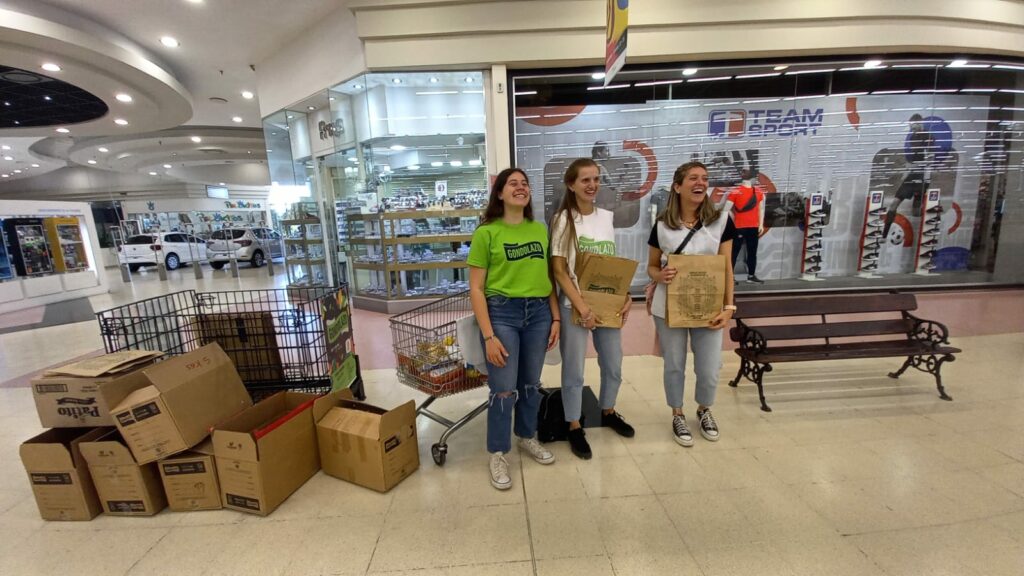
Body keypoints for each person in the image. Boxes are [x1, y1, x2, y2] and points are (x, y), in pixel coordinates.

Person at [468, 168, 561, 490]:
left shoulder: (539, 229)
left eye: (525, 184)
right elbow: (476, 289)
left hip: (539, 314)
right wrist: (488, 335)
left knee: (531, 384)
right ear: (500, 193)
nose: (521, 188)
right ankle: (497, 452)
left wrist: (556, 318)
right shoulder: (486, 233)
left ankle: (526, 435)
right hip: (502, 314)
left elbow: (547, 277)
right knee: (504, 388)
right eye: (513, 184)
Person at [549, 158, 634, 460]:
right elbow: (559, 270)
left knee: (613, 363)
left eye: (596, 179)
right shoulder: (563, 220)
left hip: (606, 304)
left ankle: (608, 410)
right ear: (571, 185)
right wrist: (582, 307)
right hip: (574, 305)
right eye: (585, 180)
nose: (592, 185)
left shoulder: (606, 217)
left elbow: (610, 264)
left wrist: (624, 295)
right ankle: (573, 424)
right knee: (574, 369)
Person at [647, 161, 736, 446]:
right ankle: (677, 413)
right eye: (693, 178)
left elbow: (727, 268)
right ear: (677, 186)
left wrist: (729, 307)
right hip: (670, 306)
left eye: (705, 178)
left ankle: (704, 409)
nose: (701, 183)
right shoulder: (662, 225)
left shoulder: (721, 221)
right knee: (674, 365)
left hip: (708, 306)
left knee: (709, 368)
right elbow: (651, 267)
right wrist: (660, 275)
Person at [881, 114, 935, 239]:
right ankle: (884, 235)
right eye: (911, 126)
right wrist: (907, 168)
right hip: (913, 174)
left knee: (916, 211)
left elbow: (930, 159)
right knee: (894, 203)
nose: (912, 128)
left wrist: (925, 177)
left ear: (920, 123)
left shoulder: (929, 137)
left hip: (923, 175)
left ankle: (926, 233)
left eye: (914, 125)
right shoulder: (912, 137)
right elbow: (914, 158)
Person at [728, 165, 765, 284]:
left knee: (752, 252)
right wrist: (734, 221)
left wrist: (761, 224)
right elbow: (726, 209)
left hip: (753, 226)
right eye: (743, 170)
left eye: (746, 170)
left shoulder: (758, 192)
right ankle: (730, 276)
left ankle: (751, 275)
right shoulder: (735, 191)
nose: (744, 172)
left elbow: (761, 209)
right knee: (734, 252)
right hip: (739, 227)